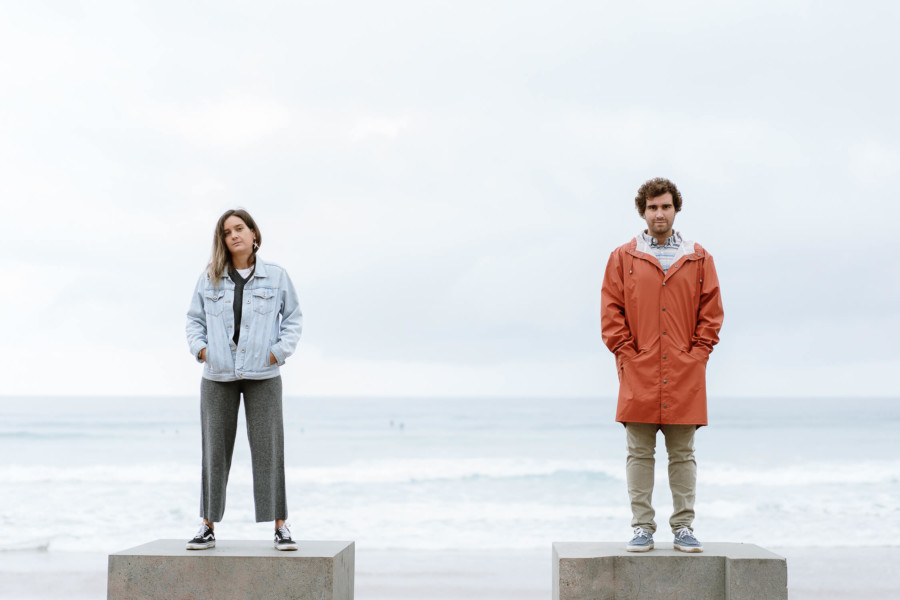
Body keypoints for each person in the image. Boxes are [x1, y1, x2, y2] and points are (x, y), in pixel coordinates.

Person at [600, 178, 724, 553]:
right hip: (638, 371)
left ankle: (684, 526)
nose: (659, 213)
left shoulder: (698, 257)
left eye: (666, 206)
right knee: (639, 454)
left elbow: (711, 313)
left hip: (685, 374)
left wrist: (697, 355)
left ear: (676, 209)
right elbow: (611, 311)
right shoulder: (624, 257)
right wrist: (626, 355)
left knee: (683, 454)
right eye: (653, 207)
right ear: (643, 211)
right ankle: (642, 527)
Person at [185, 209, 303, 551]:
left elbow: (293, 318)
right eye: (227, 232)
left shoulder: (277, 277)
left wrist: (277, 353)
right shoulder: (209, 278)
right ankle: (206, 525)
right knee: (214, 451)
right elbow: (193, 321)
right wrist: (203, 351)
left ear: (253, 233)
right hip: (217, 375)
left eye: (240, 228)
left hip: (263, 374)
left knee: (269, 449)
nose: (233, 235)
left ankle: (281, 525)